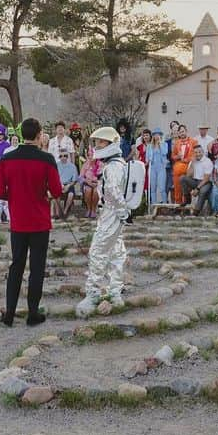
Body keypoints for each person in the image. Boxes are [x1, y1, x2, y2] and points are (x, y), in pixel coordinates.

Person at [0, 117, 62, 326]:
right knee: (37, 267)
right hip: (39, 221)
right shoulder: (47, 159)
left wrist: (14, 197)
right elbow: (57, 191)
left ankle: (10, 314)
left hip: (18, 221)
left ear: (22, 134)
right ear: (40, 134)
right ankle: (33, 313)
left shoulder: (7, 159)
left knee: (16, 266)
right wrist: (44, 195)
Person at [75, 127, 131, 316]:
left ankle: (93, 294)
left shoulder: (113, 167)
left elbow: (113, 192)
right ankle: (115, 291)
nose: (97, 146)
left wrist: (123, 212)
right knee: (116, 251)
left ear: (111, 144)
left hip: (111, 213)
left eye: (101, 142)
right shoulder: (117, 164)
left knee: (98, 251)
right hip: (114, 213)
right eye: (96, 142)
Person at [180, 144, 214, 215]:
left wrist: (197, 189)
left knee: (202, 191)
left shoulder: (207, 161)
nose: (198, 154)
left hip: (206, 182)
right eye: (196, 152)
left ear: (203, 152)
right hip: (195, 181)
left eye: (199, 152)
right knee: (182, 178)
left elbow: (206, 178)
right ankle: (187, 199)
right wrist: (192, 163)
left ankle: (197, 210)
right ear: (194, 153)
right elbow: (188, 175)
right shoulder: (193, 161)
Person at [170, 125, 194, 202]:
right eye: (180, 132)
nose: (182, 133)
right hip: (178, 168)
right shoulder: (177, 143)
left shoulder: (193, 141)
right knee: (177, 187)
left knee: (186, 187)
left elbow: (195, 155)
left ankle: (186, 203)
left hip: (189, 167)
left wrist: (186, 160)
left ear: (186, 131)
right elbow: (173, 156)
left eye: (183, 131)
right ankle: (178, 204)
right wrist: (178, 156)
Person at [52, 150, 79, 219]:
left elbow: (74, 180)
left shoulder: (72, 166)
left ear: (68, 157)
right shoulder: (56, 165)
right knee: (55, 194)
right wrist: (60, 185)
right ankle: (58, 212)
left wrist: (68, 185)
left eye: (65, 156)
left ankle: (65, 211)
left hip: (69, 184)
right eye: (61, 156)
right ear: (59, 157)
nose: (63, 157)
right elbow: (54, 178)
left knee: (71, 194)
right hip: (58, 183)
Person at [146, 131, 169, 206]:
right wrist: (148, 160)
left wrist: (160, 144)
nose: (157, 136)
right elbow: (147, 158)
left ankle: (165, 205)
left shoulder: (164, 144)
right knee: (153, 188)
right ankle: (154, 205)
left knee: (162, 188)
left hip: (161, 167)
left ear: (160, 136)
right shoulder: (149, 146)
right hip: (152, 167)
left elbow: (164, 152)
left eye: (158, 135)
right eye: (155, 135)